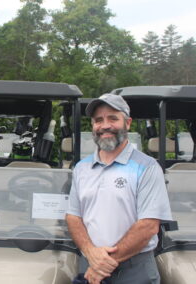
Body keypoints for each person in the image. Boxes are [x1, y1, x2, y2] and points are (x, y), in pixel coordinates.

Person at [66, 93, 172, 284]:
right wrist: (91, 253)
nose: (105, 125)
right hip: (90, 265)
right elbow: (73, 217)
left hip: (134, 272)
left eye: (113, 118)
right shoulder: (82, 168)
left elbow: (148, 226)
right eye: (98, 120)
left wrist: (103, 265)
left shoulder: (147, 167)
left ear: (127, 123)